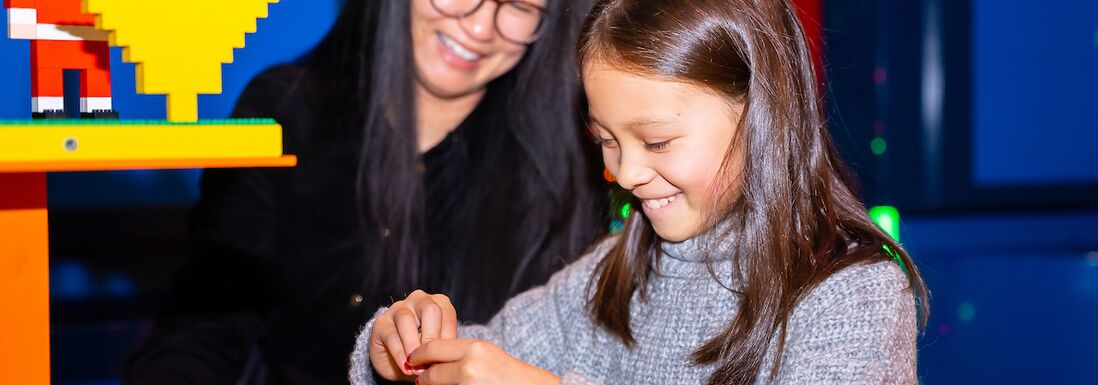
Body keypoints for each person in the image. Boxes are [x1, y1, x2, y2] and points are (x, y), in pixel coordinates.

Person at [349, 0, 931, 384]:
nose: (625, 173)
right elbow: (483, 354)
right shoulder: (610, 274)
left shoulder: (853, 296)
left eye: (655, 143)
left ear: (764, 118)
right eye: (605, 139)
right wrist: (402, 350)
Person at [123, 0, 602, 384]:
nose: (479, 27)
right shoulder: (286, 109)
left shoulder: (564, 165)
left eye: (518, 6)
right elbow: (205, 322)